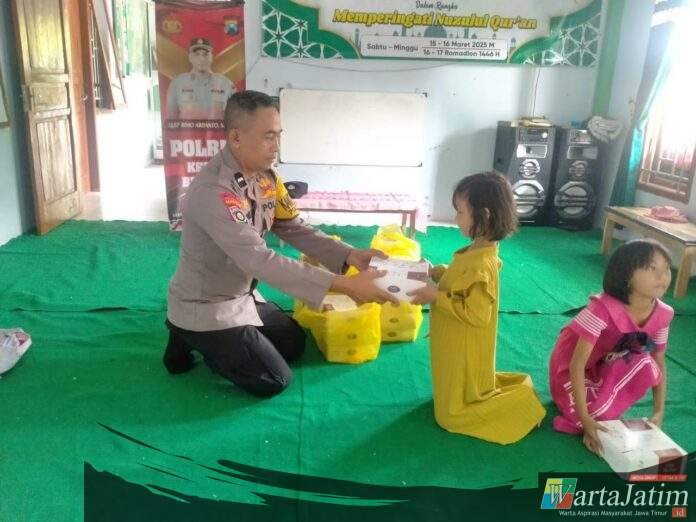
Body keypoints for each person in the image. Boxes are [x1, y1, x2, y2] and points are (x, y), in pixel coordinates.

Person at [164, 90, 396, 397]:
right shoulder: (214, 191)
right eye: (268, 137)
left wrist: (350, 254)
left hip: (241, 294)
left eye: (278, 135)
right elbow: (259, 260)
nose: (276, 146)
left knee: (293, 343)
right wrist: (345, 286)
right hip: (207, 304)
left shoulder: (267, 177)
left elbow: (292, 227)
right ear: (236, 137)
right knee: (273, 379)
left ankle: (214, 340)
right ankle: (188, 333)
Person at [409, 171, 546, 444]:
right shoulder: (478, 251)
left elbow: (477, 313)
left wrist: (435, 296)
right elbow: (463, 281)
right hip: (454, 339)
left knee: (450, 415)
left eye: (460, 212)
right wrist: (437, 272)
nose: (456, 218)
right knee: (452, 383)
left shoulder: (482, 262)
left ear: (484, 216)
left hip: (464, 344)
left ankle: (522, 406)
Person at [549, 239, 674, 454]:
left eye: (666, 269)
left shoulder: (664, 314)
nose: (662, 276)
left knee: (646, 364)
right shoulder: (602, 309)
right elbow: (576, 365)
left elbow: (658, 361)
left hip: (604, 364)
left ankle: (598, 411)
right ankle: (587, 416)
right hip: (568, 368)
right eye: (652, 268)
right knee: (588, 418)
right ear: (626, 275)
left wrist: (659, 411)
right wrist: (585, 420)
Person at [166, 37, 236, 120]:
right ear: (190, 57)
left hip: (218, 129)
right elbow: (171, 119)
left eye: (205, 54)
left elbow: (234, 117)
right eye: (197, 54)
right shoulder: (177, 83)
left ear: (211, 57)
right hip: (187, 129)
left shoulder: (225, 83)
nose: (202, 59)